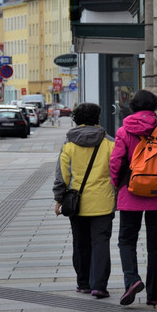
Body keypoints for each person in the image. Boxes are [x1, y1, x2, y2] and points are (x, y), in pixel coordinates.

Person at [110, 90, 157, 307]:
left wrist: (119, 185)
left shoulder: (124, 131)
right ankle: (155, 293)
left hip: (130, 194)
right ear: (154, 108)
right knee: (156, 246)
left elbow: (115, 163)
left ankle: (132, 280)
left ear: (132, 107)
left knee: (126, 240)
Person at [52, 103, 116, 298]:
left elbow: (62, 175)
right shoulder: (110, 143)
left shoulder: (69, 144)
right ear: (98, 119)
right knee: (101, 243)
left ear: (76, 120)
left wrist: (59, 198)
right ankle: (99, 285)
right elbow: (117, 172)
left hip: (77, 203)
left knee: (80, 243)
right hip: (103, 202)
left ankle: (83, 283)